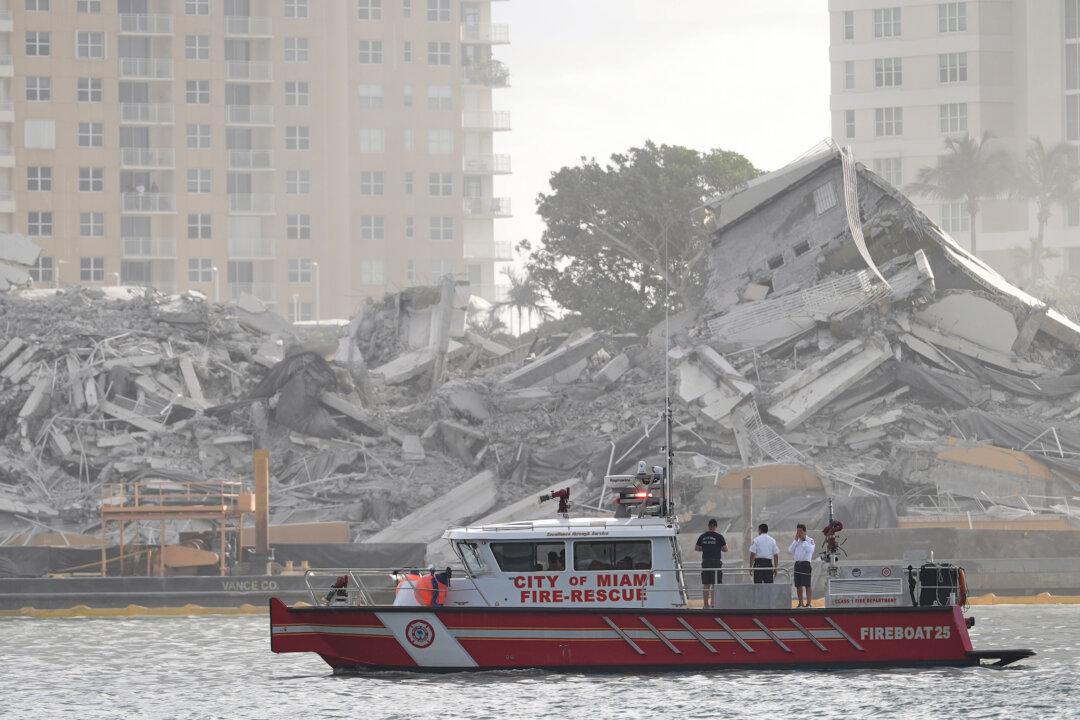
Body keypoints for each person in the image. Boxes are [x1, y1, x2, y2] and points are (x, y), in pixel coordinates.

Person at [694, 519, 727, 608]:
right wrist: (717, 548)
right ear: (716, 526)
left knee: (706, 584)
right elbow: (725, 549)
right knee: (715, 584)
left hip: (706, 562)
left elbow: (696, 548)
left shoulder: (702, 536)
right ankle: (713, 604)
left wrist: (705, 548)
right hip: (716, 562)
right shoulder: (719, 537)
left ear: (708, 526)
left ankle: (705, 605)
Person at [789, 523, 816, 607]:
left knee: (807, 585)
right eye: (797, 531)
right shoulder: (796, 541)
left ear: (805, 531)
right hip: (797, 564)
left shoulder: (810, 540)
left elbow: (810, 550)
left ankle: (808, 603)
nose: (799, 533)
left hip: (805, 564)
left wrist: (804, 540)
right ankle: (800, 603)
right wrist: (795, 541)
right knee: (798, 586)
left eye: (800, 531)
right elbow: (790, 550)